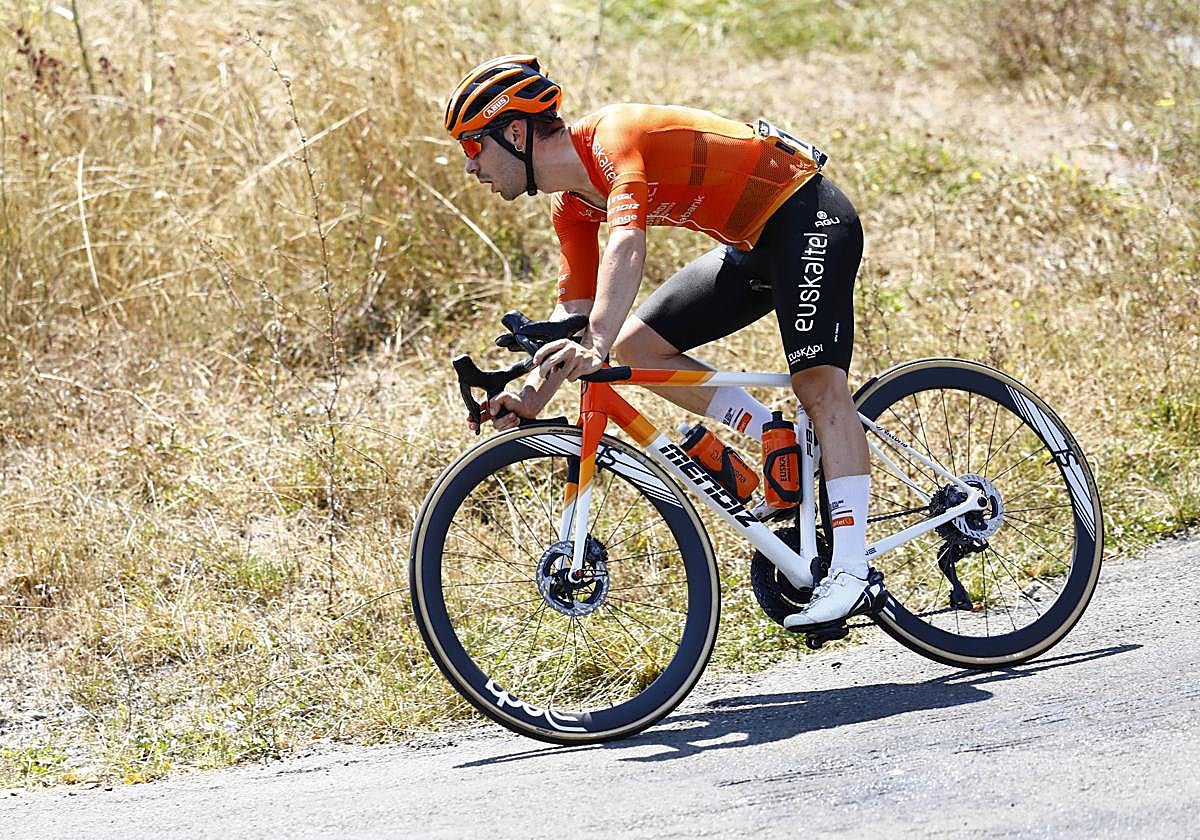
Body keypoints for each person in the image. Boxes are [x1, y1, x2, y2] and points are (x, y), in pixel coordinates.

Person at [443, 55, 883, 629]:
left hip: (808, 215)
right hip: (751, 245)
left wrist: (594, 343)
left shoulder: (612, 138)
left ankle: (853, 572)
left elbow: (629, 245)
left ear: (516, 132)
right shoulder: (570, 205)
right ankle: (774, 436)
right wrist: (532, 395)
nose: (470, 167)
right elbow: (572, 312)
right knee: (639, 347)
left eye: (473, 147)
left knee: (818, 385)